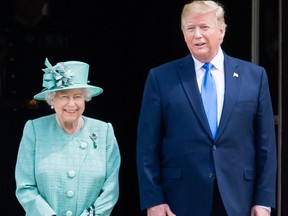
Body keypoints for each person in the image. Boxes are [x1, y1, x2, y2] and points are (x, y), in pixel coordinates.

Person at [136, 1, 277, 216]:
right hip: (180, 200)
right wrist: (153, 200)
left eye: (204, 27)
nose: (197, 35)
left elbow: (266, 145)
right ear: (183, 34)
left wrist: (264, 201)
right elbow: (147, 146)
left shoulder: (254, 77)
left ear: (222, 31)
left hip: (240, 199)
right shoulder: (161, 78)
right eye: (190, 28)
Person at [15, 58, 121, 216]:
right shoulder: (34, 130)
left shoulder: (104, 131)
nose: (72, 104)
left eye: (77, 96)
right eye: (64, 96)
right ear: (52, 99)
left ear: (85, 99)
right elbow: (25, 187)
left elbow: (111, 189)